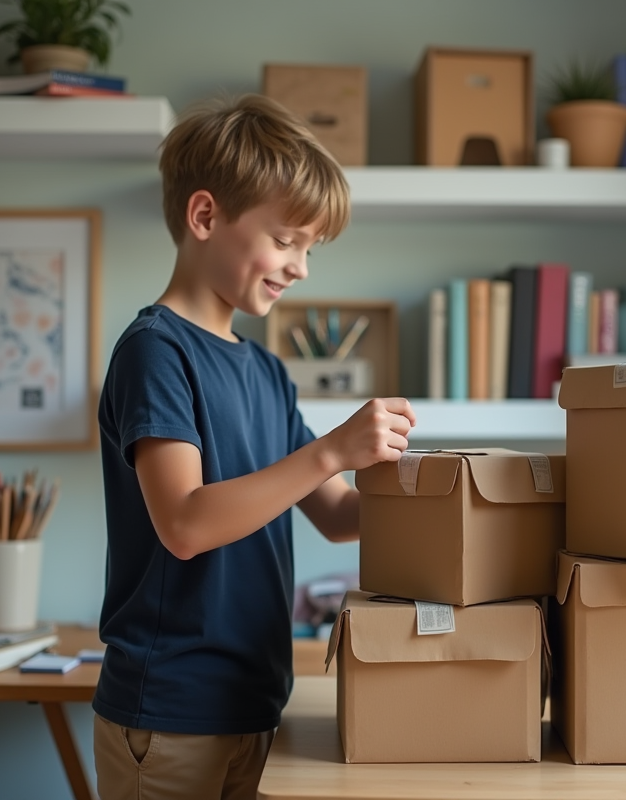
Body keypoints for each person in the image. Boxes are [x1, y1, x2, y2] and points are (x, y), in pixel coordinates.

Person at [91, 94, 416, 799]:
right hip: (172, 712)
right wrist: (330, 450)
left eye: (310, 248)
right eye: (287, 240)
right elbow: (184, 523)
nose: (300, 266)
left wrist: (431, 495)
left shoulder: (266, 369)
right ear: (205, 217)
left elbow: (334, 513)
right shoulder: (156, 353)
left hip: (255, 700)